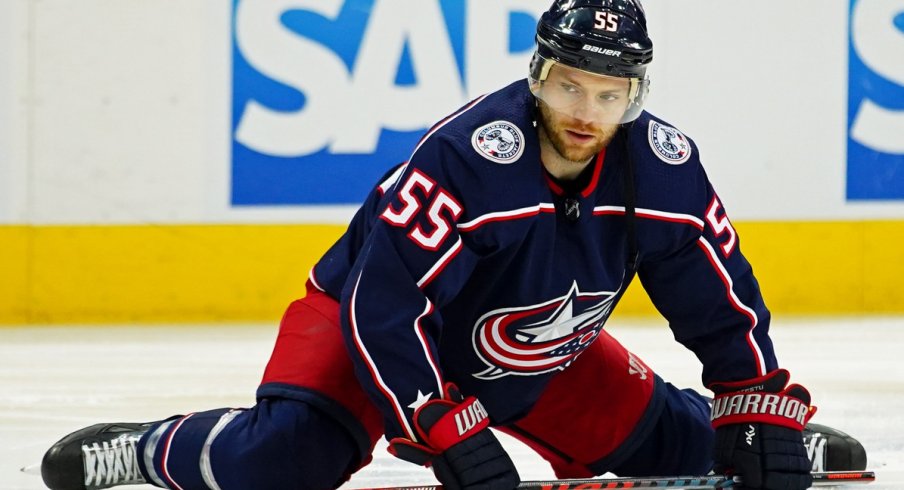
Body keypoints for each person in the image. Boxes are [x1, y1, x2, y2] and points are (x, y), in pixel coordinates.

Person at [41, 1, 867, 489]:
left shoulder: (663, 167)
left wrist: (758, 405)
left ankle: (767, 436)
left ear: (634, 95)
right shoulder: (468, 156)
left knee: (699, 448)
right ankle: (149, 448)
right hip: (375, 335)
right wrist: (446, 425)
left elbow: (720, 299)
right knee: (287, 461)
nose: (586, 110)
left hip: (537, 345)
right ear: (539, 75)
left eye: (609, 93)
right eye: (570, 84)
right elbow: (382, 305)